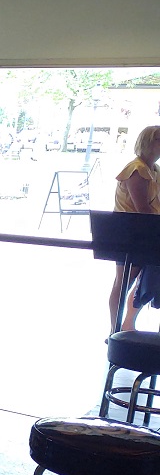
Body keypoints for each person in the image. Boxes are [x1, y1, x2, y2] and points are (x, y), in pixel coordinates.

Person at [108, 125, 160, 333]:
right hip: (131, 234)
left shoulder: (153, 170)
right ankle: (115, 329)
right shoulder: (137, 169)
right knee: (124, 283)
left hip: (145, 233)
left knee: (141, 280)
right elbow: (142, 210)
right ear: (147, 142)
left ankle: (127, 325)